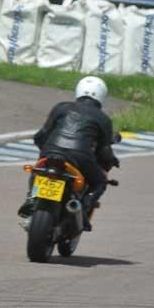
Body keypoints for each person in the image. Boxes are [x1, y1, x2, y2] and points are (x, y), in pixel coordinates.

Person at [18, 76, 119, 230]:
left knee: (38, 170)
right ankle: (84, 210)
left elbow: (41, 135)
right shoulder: (103, 118)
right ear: (102, 96)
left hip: (52, 151)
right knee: (100, 182)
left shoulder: (61, 107)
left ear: (78, 91)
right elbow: (104, 150)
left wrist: (45, 149)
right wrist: (111, 160)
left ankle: (31, 198)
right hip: (81, 157)